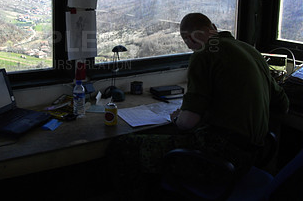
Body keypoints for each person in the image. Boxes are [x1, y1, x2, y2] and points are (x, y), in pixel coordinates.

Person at [105, 12, 289, 200]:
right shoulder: (250, 51)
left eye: (189, 44)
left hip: (219, 159)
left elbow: (187, 123)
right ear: (214, 28)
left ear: (189, 38)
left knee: (122, 147)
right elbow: (282, 105)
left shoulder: (204, 53)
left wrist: (178, 118)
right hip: (250, 157)